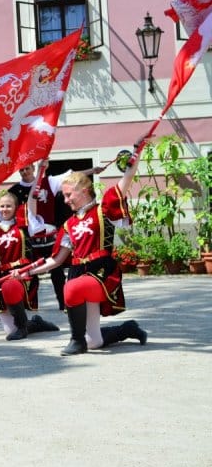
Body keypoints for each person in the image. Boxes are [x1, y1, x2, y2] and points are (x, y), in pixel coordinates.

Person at [19, 145, 148, 356]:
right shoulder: (68, 224)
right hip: (79, 273)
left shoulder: (103, 209)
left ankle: (76, 340)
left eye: (69, 195)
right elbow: (57, 260)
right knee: (95, 341)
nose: (66, 200)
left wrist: (137, 152)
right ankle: (127, 329)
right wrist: (27, 272)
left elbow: (126, 180)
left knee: (71, 289)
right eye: (64, 196)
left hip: (100, 272)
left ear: (85, 190)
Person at [8, 160, 103, 310]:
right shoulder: (14, 191)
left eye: (27, 168)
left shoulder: (49, 182)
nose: (25, 172)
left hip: (50, 236)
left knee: (57, 273)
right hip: (30, 240)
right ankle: (30, 306)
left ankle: (64, 303)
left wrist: (93, 170)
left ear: (33, 168)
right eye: (21, 170)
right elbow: (3, 212)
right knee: (30, 275)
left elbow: (72, 178)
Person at [0, 192, 59, 340]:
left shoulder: (25, 227)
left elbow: (32, 199)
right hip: (3, 277)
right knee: (9, 331)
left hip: (24, 274)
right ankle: (35, 324)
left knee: (10, 286)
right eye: (2, 206)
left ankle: (22, 327)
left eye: (9, 206)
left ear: (15, 208)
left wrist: (39, 172)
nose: (5, 209)